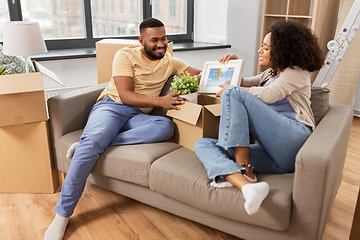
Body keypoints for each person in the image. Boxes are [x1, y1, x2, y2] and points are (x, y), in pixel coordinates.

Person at [44, 18, 201, 240]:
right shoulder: (125, 55)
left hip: (139, 116)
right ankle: (62, 214)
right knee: (97, 137)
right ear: (141, 40)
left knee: (165, 126)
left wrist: (225, 65)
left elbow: (201, 75)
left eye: (163, 38)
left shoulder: (171, 62)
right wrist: (162, 102)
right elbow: (126, 95)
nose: (160, 44)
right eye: (154, 40)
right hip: (112, 106)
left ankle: (90, 145)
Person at [194, 20, 324, 216]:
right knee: (202, 144)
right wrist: (234, 65)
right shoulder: (271, 73)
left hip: (295, 141)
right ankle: (247, 186)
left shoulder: (297, 72)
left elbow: (270, 94)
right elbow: (245, 84)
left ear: (282, 50)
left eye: (265, 47)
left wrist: (234, 89)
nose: (259, 50)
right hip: (275, 156)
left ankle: (244, 168)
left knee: (233, 93)